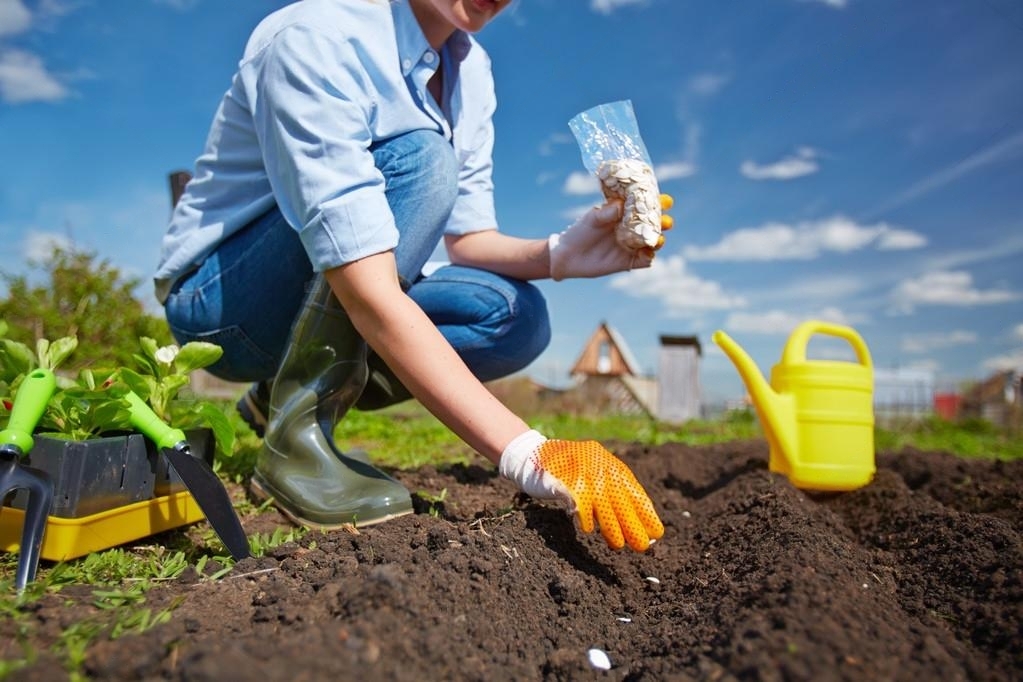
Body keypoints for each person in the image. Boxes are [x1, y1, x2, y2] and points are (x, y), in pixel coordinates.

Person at [155, 0, 670, 552]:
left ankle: (270, 399)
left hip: (341, 278)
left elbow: (470, 240)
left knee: (513, 317)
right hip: (221, 304)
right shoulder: (318, 35)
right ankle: (294, 444)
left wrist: (561, 254)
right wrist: (526, 451)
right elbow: (369, 288)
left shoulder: (472, 72)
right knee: (421, 161)